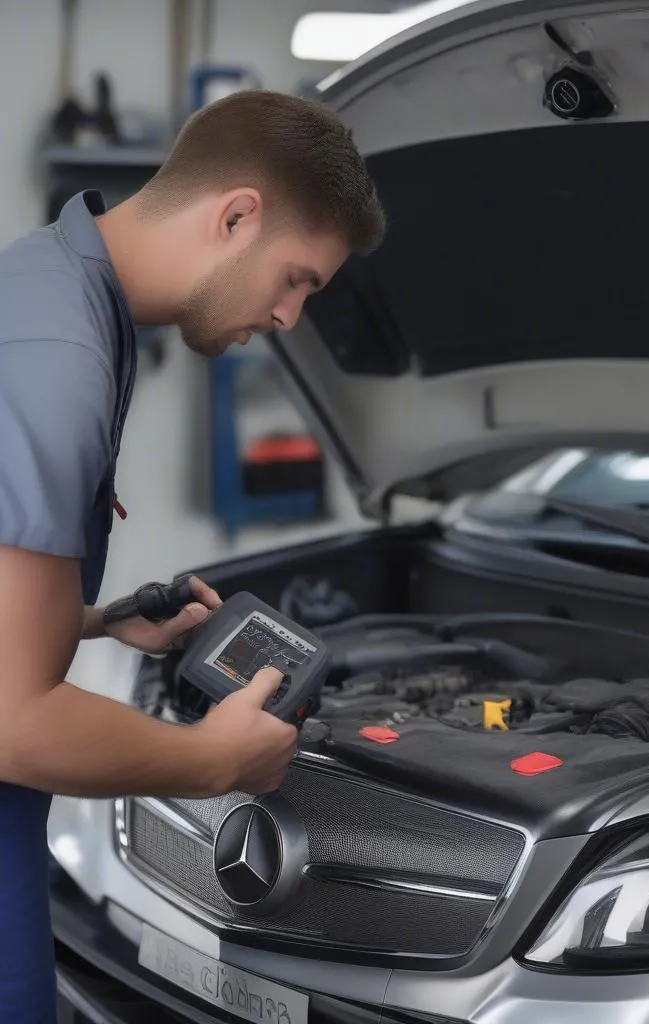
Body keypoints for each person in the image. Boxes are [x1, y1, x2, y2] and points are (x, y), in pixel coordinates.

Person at [0, 90, 385, 1021]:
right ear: (237, 215)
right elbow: (13, 722)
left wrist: (92, 620)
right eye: (297, 279)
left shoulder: (47, 279)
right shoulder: (60, 355)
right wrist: (211, 761)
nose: (293, 317)